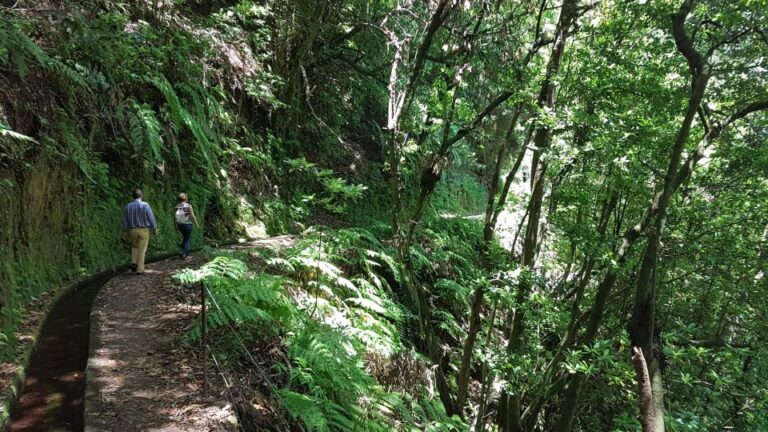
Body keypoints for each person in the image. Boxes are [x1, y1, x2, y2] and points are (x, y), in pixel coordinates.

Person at [122, 189, 158, 274]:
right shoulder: (145, 205)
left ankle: (134, 263)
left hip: (132, 230)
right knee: (142, 249)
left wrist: (124, 231)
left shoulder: (128, 206)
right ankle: (140, 268)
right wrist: (154, 228)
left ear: (133, 196)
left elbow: (125, 220)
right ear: (141, 195)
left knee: (134, 247)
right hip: (143, 230)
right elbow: (151, 218)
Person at [174, 193, 199, 259]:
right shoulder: (188, 205)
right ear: (186, 199)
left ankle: (182, 251)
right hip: (188, 224)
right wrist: (196, 224)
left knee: (185, 238)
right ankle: (185, 254)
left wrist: (176, 226)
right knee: (187, 239)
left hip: (180, 225)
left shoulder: (176, 206)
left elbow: (175, 217)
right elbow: (192, 216)